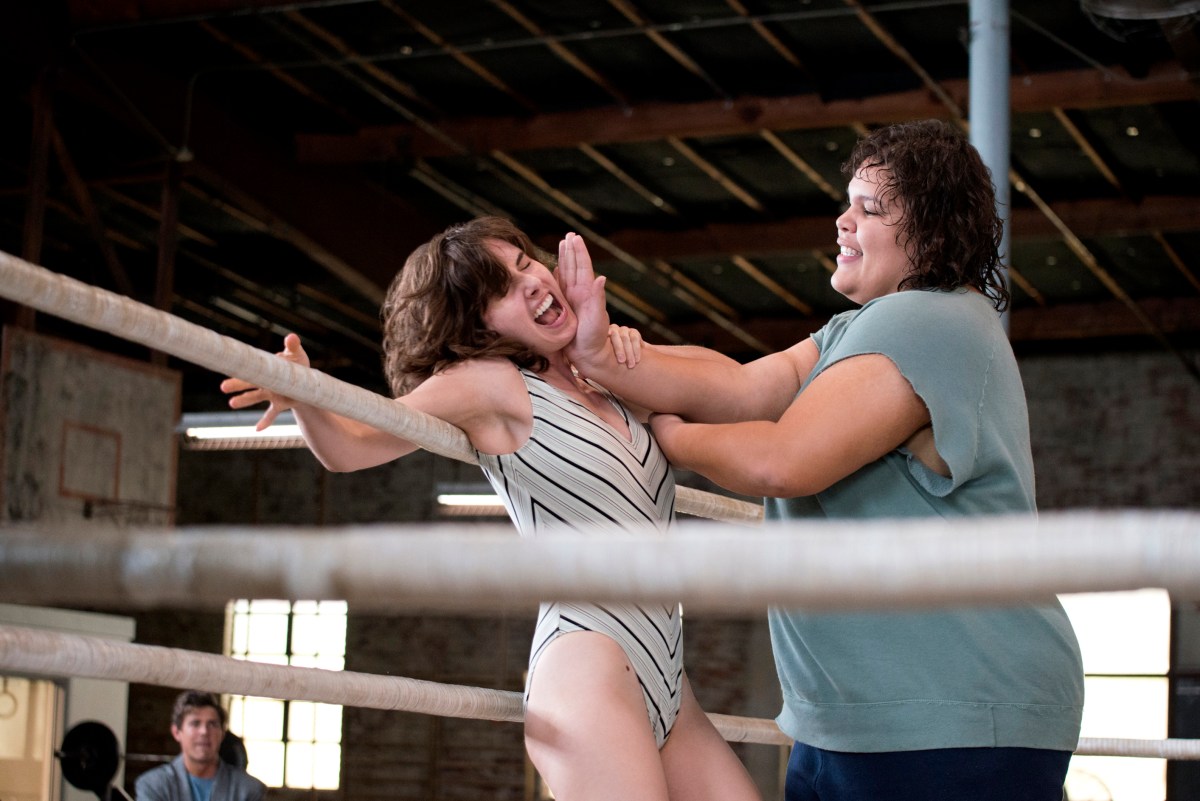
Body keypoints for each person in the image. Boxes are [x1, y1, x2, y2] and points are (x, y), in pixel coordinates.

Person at [559, 119, 1085, 801]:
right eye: (849, 201)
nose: (843, 221)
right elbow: (742, 387)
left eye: (870, 209)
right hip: (861, 721)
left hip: (945, 712)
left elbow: (784, 459)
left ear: (932, 232)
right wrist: (603, 356)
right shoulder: (856, 329)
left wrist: (669, 437)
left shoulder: (928, 319)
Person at [220, 216, 761, 801]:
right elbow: (352, 446)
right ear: (475, 324)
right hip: (589, 663)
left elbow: (731, 385)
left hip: (668, 674)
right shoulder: (490, 384)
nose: (529, 281)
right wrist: (307, 392)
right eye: (501, 289)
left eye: (525, 262)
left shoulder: (601, 376)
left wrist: (616, 351)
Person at [134, 691, 266, 801]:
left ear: (222, 734)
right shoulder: (153, 785)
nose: (204, 731)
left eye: (212, 724)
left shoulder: (249, 789)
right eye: (195, 723)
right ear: (176, 732)